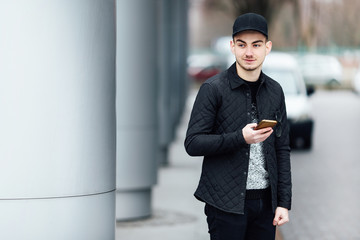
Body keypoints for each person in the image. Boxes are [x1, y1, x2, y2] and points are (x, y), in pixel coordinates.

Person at [184, 13, 292, 240]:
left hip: (264, 204)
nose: (249, 52)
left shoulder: (275, 91)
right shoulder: (213, 89)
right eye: (242, 45)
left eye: (256, 45)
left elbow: (282, 149)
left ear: (267, 47)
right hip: (224, 203)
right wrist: (239, 138)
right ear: (232, 47)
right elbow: (193, 143)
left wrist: (283, 203)